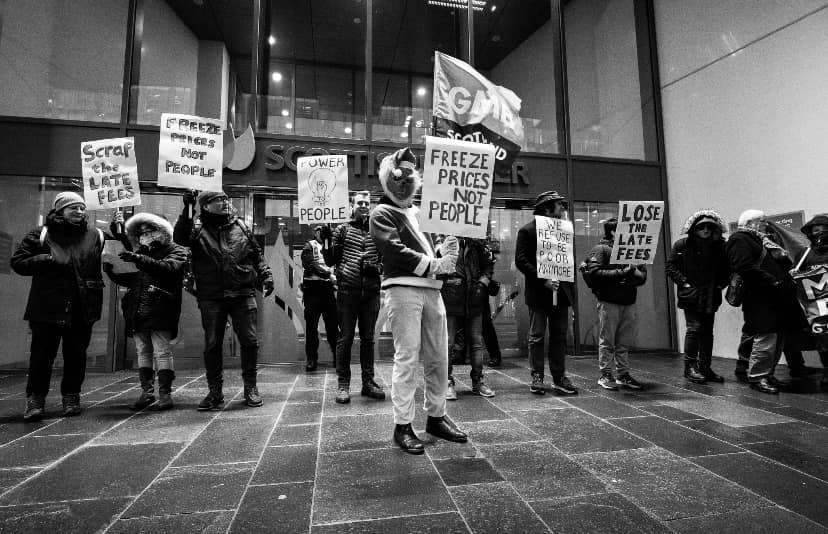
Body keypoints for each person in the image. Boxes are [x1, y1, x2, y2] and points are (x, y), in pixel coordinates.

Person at [370, 147, 467, 455]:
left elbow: (428, 252)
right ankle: (403, 424)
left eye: (408, 178)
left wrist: (446, 251)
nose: (403, 183)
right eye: (397, 178)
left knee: (440, 356)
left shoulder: (419, 213)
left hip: (431, 290)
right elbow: (394, 250)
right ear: (388, 181)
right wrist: (435, 263)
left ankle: (436, 416)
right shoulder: (381, 213)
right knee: (407, 358)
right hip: (403, 289)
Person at [174, 190, 274, 410]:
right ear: (206, 205)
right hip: (211, 295)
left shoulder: (242, 227)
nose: (226, 203)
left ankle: (250, 388)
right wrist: (186, 211)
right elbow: (180, 239)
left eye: (226, 199)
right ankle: (215, 392)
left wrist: (266, 274)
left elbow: (257, 255)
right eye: (219, 200)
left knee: (250, 342)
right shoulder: (197, 227)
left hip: (242, 293)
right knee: (212, 344)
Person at [12, 192, 106, 421]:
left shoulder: (95, 235)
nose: (79, 212)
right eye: (73, 208)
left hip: (82, 307)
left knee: (76, 356)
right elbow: (18, 262)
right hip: (48, 307)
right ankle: (35, 400)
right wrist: (46, 259)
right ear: (60, 210)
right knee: (42, 356)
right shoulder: (41, 234)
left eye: (82, 208)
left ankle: (71, 397)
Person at [106, 211, 187, 410]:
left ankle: (165, 394)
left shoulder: (175, 250)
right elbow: (135, 278)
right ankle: (147, 391)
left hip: (161, 308)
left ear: (162, 231)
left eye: (150, 231)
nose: (145, 235)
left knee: (162, 351)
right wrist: (112, 271)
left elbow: (167, 268)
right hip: (138, 309)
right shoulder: (141, 251)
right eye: (142, 232)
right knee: (143, 351)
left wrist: (137, 258)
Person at [725, 209, 798, 394]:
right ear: (750, 223)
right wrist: (772, 280)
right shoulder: (739, 239)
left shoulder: (760, 240)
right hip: (760, 299)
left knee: (777, 339)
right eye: (763, 221)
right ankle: (758, 376)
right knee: (765, 339)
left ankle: (768, 373)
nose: (766, 224)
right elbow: (743, 266)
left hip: (775, 298)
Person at [515, 191, 579, 396]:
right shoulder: (527, 231)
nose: (563, 208)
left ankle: (559, 377)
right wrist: (543, 279)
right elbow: (521, 260)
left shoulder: (564, 231)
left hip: (561, 294)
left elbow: (568, 261)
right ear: (546, 208)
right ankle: (537, 376)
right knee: (537, 336)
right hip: (539, 294)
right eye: (559, 205)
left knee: (559, 336)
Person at [330, 191, 385, 403]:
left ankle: (368, 383)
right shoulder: (342, 229)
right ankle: (343, 385)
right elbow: (330, 258)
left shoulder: (377, 230)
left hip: (370, 292)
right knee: (345, 339)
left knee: (368, 340)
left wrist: (376, 268)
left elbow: (385, 260)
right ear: (352, 205)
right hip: (347, 290)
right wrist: (327, 240)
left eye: (366, 202)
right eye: (359, 202)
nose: (363, 205)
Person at [665, 210, 730, 384]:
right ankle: (690, 367)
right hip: (691, 294)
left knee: (707, 332)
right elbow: (670, 267)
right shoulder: (682, 245)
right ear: (694, 229)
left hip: (710, 294)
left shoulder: (719, 246)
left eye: (710, 227)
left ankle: (705, 367)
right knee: (694, 329)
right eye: (702, 227)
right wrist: (684, 282)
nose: (706, 231)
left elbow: (727, 269)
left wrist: (720, 284)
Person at [585, 217, 647, 391]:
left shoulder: (631, 250)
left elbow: (642, 277)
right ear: (613, 232)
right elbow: (595, 273)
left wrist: (635, 271)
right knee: (608, 340)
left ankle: (622, 374)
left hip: (628, 300)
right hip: (609, 301)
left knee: (624, 340)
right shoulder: (601, 249)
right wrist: (624, 272)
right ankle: (605, 374)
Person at [441, 237, 495, 399]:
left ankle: (478, 381)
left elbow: (489, 266)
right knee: (448, 343)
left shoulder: (477, 243)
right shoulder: (444, 239)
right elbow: (438, 263)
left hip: (473, 299)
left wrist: (482, 284)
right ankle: (447, 382)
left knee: (476, 343)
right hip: (451, 297)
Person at [793, 214, 828, 389]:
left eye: (824, 229)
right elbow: (794, 274)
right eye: (816, 230)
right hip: (818, 308)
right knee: (822, 340)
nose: (820, 233)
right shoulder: (804, 253)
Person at [301, 224, 338, 373]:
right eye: (318, 230)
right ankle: (311, 359)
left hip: (328, 290)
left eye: (323, 230)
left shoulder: (332, 247)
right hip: (313, 290)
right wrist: (328, 275)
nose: (321, 233)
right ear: (314, 232)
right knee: (311, 327)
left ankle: (337, 357)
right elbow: (310, 264)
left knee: (333, 326)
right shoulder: (309, 246)